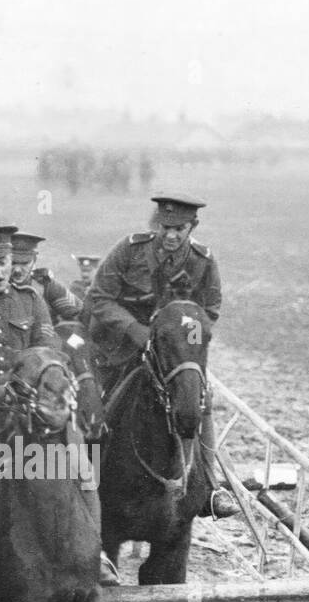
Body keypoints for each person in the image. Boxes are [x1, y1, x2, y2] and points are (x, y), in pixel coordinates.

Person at [0, 226, 117, 600]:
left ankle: (95, 557)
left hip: (36, 408)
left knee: (83, 471)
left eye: (2, 263)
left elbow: (47, 348)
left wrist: (40, 386)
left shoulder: (32, 301)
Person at [87, 193, 237, 518]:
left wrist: (185, 342)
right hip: (122, 349)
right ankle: (87, 478)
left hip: (171, 353)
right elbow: (99, 297)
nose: (170, 235)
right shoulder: (129, 250)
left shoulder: (203, 261)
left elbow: (208, 311)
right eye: (164, 227)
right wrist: (135, 330)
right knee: (96, 402)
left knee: (199, 398)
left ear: (192, 227)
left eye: (179, 229)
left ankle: (208, 486)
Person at [8, 232, 82, 326]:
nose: (18, 270)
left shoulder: (44, 284)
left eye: (25, 263)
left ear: (34, 260)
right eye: (13, 263)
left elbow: (78, 312)